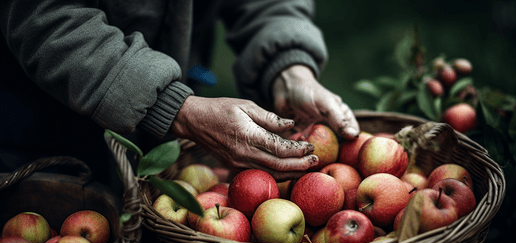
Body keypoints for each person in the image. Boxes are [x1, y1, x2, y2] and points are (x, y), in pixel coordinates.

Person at [0, 0, 359, 186]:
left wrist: (288, 67)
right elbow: (47, 17)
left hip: (171, 157)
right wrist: (172, 107)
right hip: (42, 141)